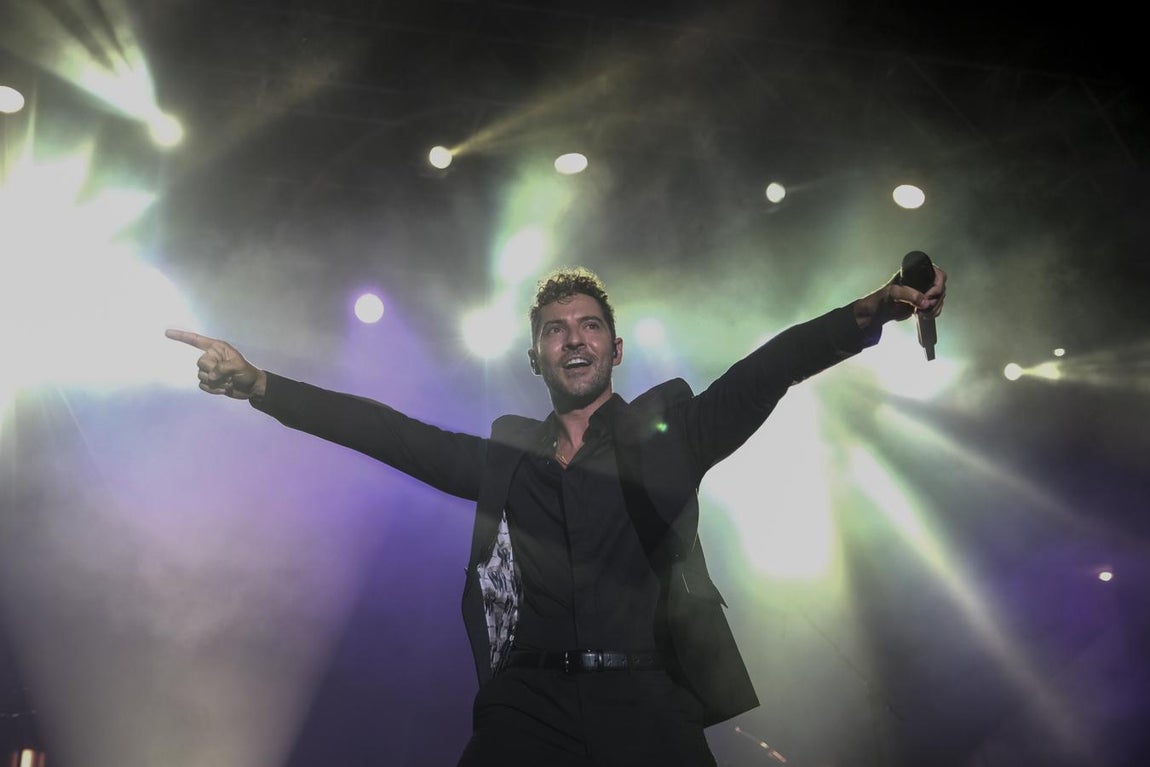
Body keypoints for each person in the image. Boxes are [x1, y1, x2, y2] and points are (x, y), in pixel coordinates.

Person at [167, 264, 947, 766]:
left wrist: (867, 312)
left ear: (615, 349)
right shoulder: (506, 461)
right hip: (526, 712)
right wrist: (261, 384)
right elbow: (389, 433)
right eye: (555, 330)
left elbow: (764, 372)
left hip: (647, 705)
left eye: (589, 326)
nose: (573, 339)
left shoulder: (671, 437)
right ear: (535, 356)